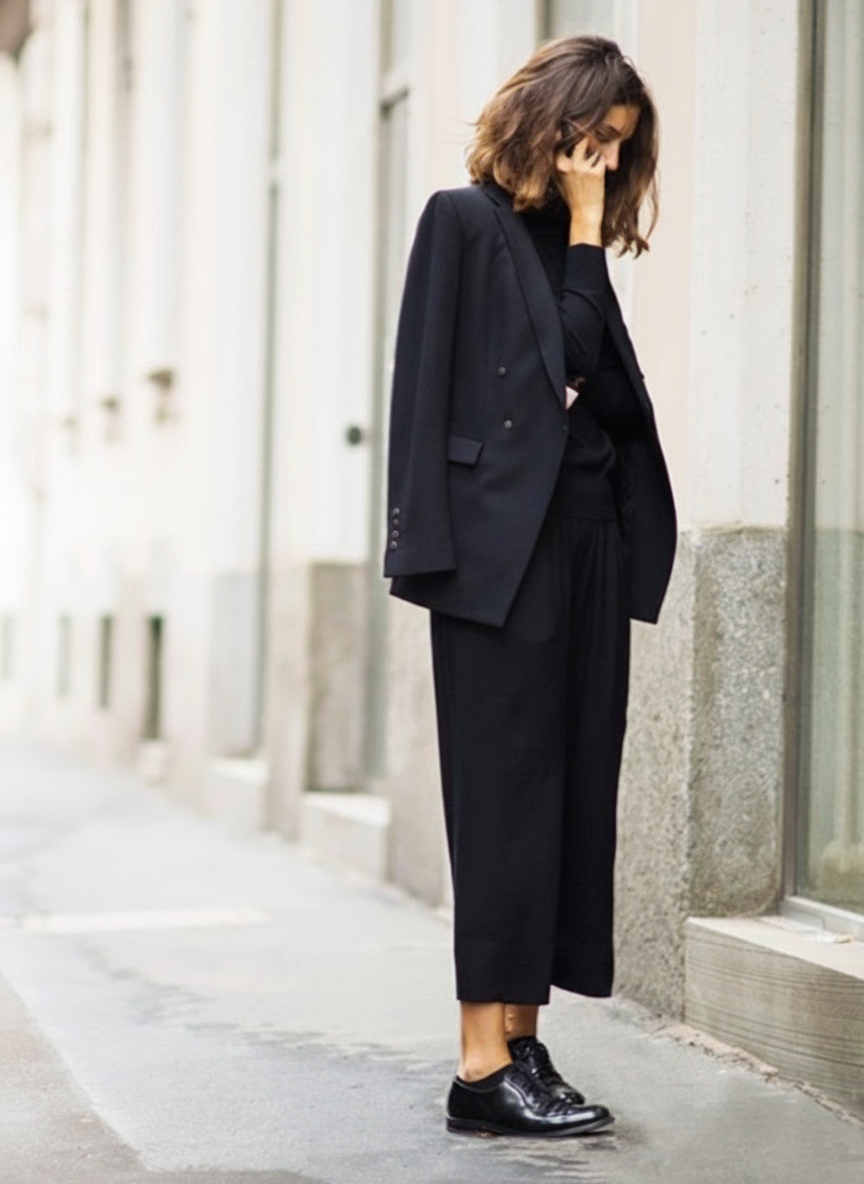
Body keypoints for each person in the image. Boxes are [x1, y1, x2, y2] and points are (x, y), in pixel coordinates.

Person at [383, 34, 676, 1138]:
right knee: (505, 801)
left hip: (591, 541)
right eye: (593, 138)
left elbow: (600, 392)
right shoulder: (462, 223)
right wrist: (424, 550)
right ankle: (478, 1067)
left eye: (620, 147)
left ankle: (522, 1038)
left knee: (571, 797)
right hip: (497, 559)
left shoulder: (570, 246)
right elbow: (432, 388)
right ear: (548, 123)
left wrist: (585, 250)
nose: (604, 163)